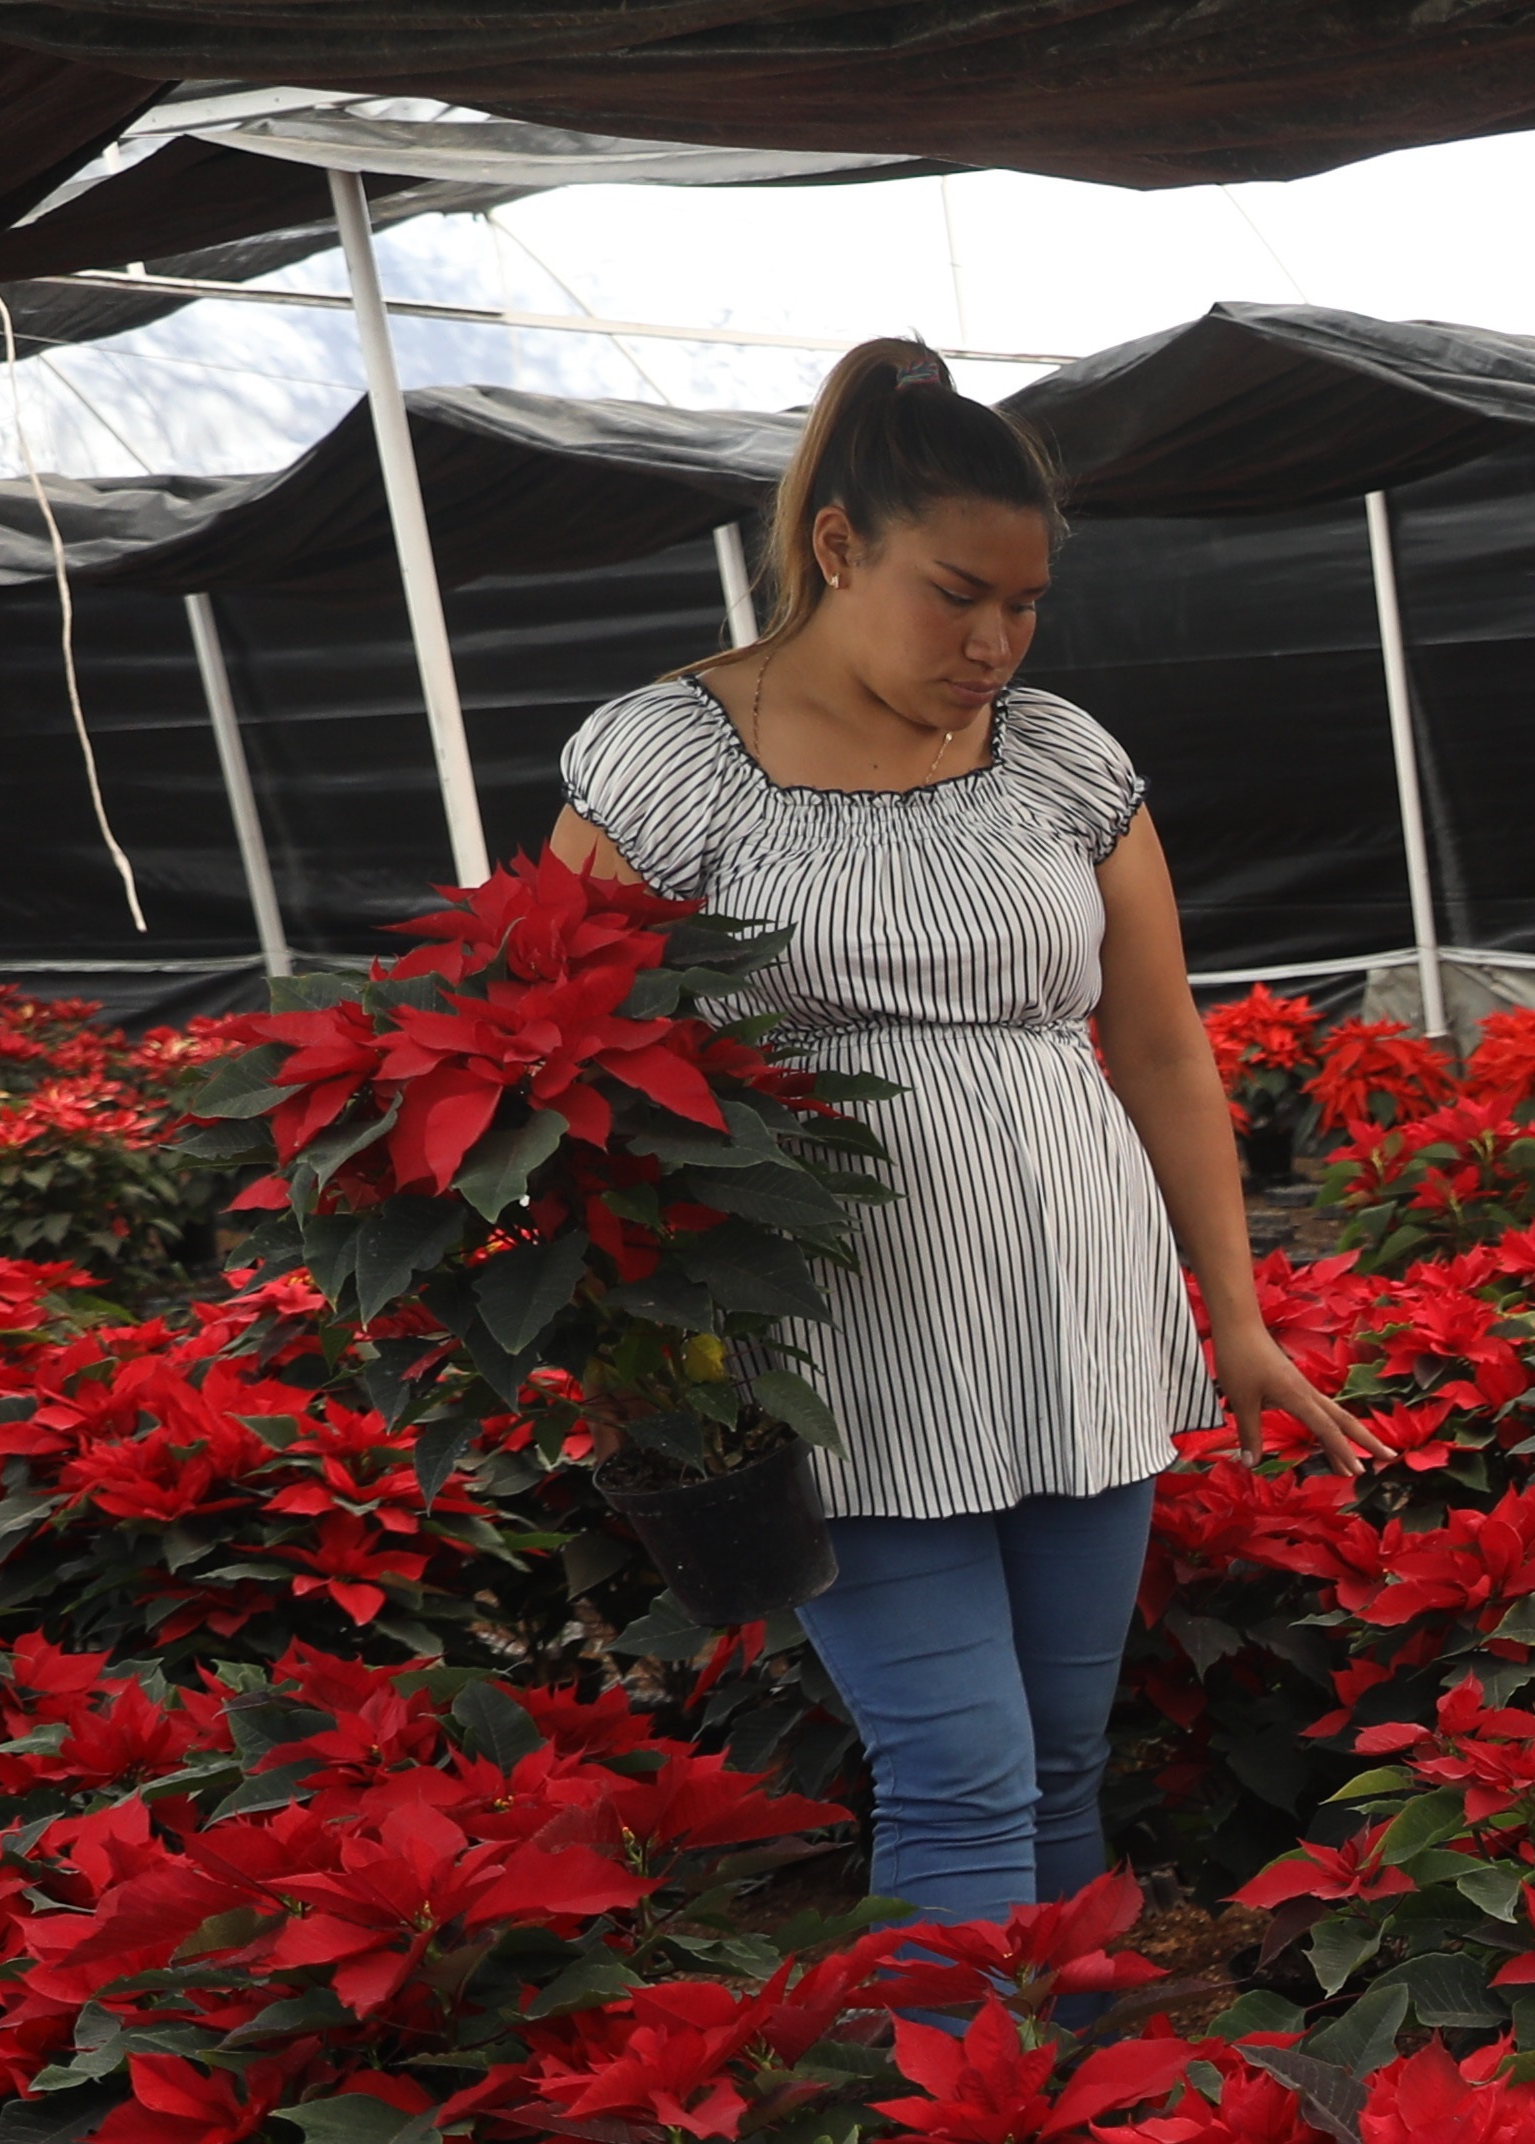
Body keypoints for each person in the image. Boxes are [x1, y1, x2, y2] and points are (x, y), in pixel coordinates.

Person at [548, 334, 1369, 1928]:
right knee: (962, 1768)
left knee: (1060, 1758)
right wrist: (628, 1338)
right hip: (841, 1341)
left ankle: (1067, 2093)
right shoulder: (670, 758)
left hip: (1082, 1321)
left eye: (1027, 602)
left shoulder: (1061, 759)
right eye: (955, 593)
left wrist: (1241, 1316)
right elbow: (546, 1055)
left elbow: (1157, 1045)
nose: (995, 640)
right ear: (839, 548)